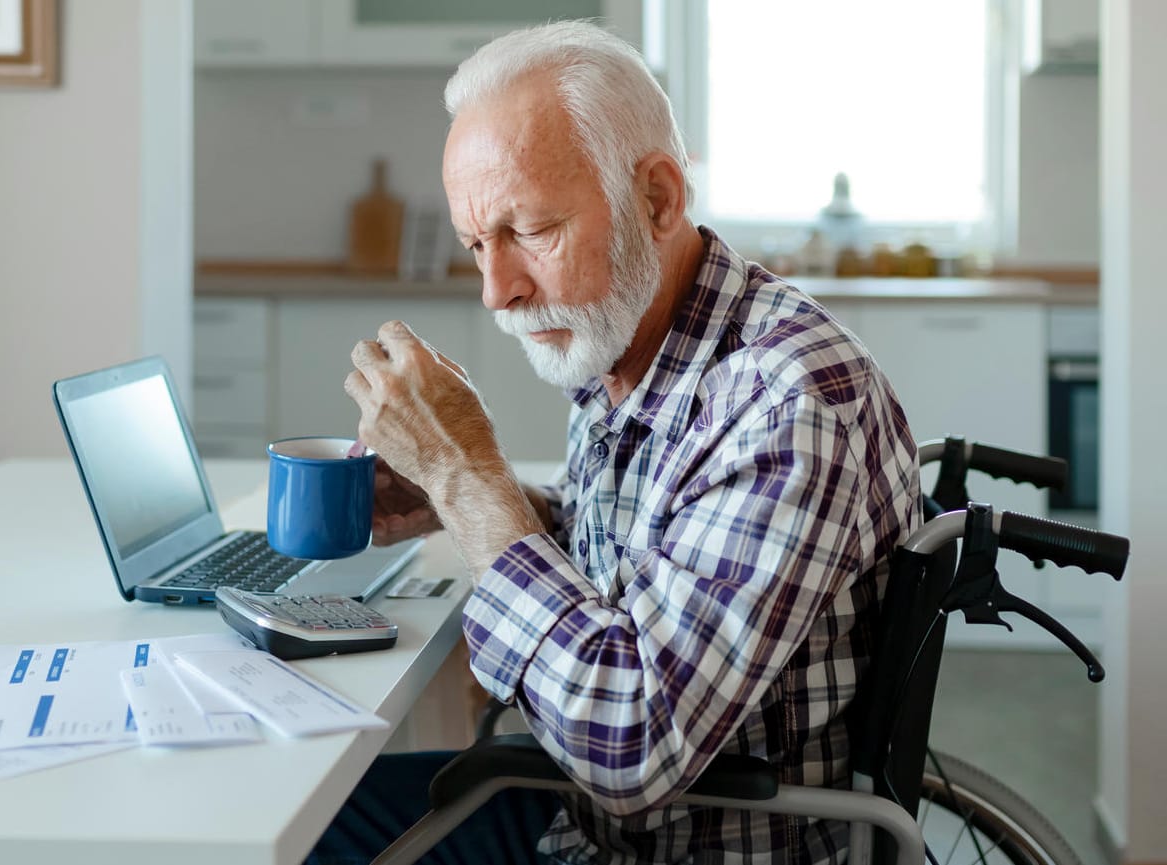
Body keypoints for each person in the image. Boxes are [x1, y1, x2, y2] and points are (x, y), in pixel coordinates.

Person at [309, 19, 921, 865]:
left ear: (658, 199)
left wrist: (467, 473)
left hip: (659, 842)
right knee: (314, 807)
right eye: (475, 243)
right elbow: (643, 554)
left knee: (295, 831)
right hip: (579, 812)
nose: (497, 289)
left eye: (529, 230)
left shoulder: (785, 400)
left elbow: (628, 744)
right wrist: (461, 498)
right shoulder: (628, 335)